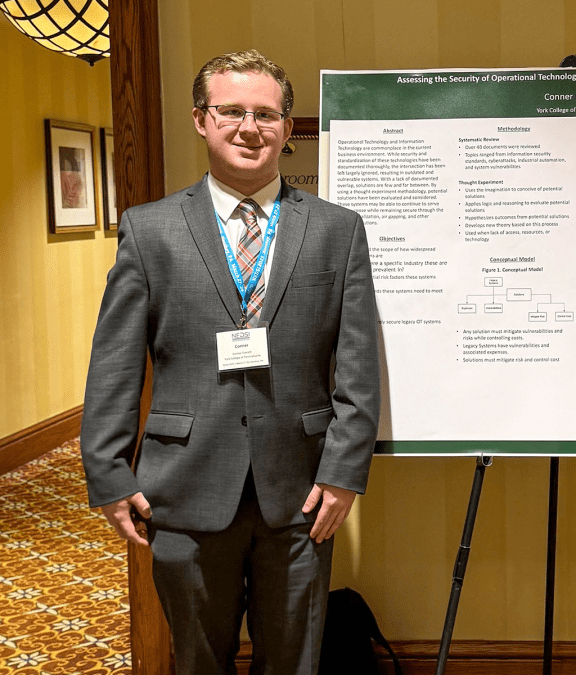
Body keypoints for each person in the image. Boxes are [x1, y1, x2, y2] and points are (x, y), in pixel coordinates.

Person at [80, 49, 380, 674]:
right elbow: (114, 361)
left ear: (286, 126)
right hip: (181, 488)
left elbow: (356, 364)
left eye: (267, 114)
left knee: (294, 661)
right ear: (201, 119)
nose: (250, 128)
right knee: (196, 661)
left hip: (301, 492)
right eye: (232, 111)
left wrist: (345, 472)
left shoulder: (337, 230)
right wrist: (108, 472)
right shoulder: (149, 228)